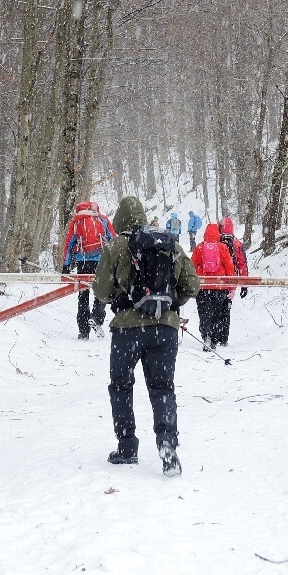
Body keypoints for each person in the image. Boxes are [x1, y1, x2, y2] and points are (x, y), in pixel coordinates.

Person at [94, 196, 200, 477]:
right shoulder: (169, 243)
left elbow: (101, 291)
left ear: (120, 220)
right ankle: (168, 445)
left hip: (127, 330)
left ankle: (127, 447)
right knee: (162, 388)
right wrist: (168, 304)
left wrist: (124, 297)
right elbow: (192, 284)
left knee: (121, 386)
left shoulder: (116, 246)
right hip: (165, 329)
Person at [61, 201, 115, 339]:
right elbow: (113, 238)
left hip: (83, 261)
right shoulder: (102, 219)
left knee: (83, 295)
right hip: (101, 260)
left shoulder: (77, 222)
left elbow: (69, 244)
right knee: (101, 290)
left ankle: (84, 331)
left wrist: (66, 265)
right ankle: (96, 317)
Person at [191, 223, 234, 352]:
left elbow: (191, 267)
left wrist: (191, 286)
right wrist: (231, 287)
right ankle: (214, 339)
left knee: (204, 314)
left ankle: (206, 337)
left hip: (203, 287)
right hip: (219, 287)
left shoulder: (199, 248)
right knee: (217, 314)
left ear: (205, 234)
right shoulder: (223, 247)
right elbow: (229, 268)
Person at [217, 217, 250, 347]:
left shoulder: (215, 241)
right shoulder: (237, 244)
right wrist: (244, 284)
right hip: (230, 282)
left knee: (214, 309)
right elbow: (242, 264)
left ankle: (214, 336)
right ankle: (224, 338)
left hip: (216, 281)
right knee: (226, 310)